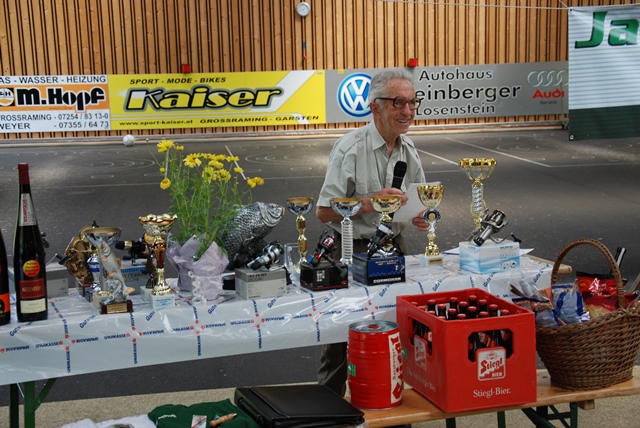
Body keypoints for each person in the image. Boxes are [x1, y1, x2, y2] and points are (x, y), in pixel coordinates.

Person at [315, 68, 429, 402]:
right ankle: (329, 411)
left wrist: (421, 215)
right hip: (349, 250)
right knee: (340, 339)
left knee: (396, 330)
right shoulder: (350, 148)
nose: (407, 111)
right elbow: (323, 212)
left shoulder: (409, 150)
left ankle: (390, 403)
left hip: (394, 248)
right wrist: (368, 203)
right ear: (375, 107)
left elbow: (419, 199)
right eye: (398, 102)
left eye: (412, 102)